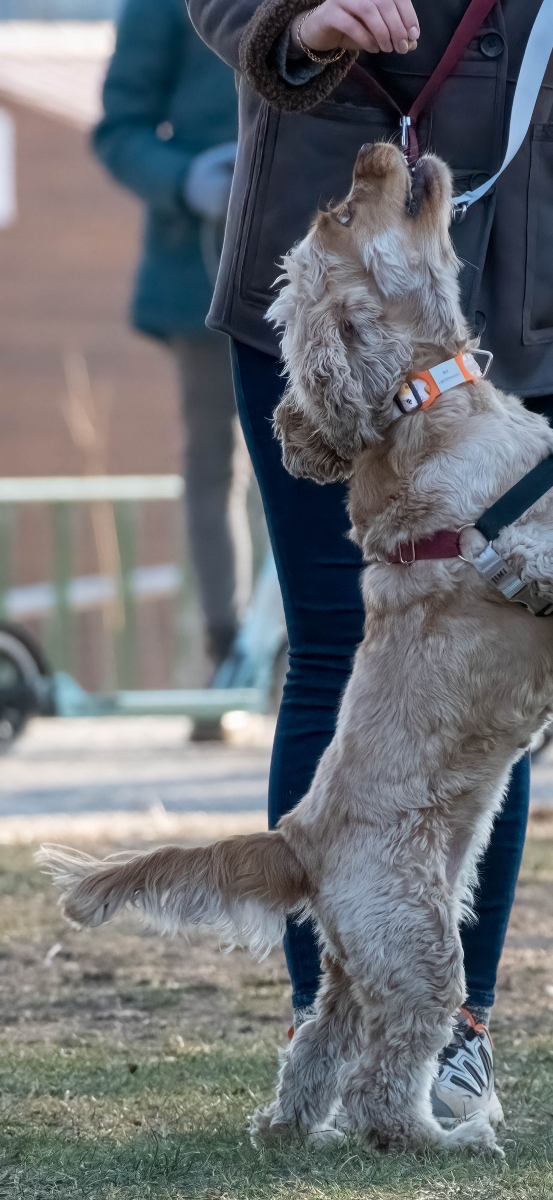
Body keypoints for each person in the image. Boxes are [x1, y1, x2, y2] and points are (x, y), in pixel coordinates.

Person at [186, 0, 553, 1125]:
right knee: (338, 650)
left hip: (527, 271)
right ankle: (343, 1020)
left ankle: (453, 1038)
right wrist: (297, 22)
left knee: (499, 674)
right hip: (336, 294)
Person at [94, 0, 252, 715]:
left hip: (324, 258)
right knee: (213, 466)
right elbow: (119, 130)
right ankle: (227, 663)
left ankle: (300, 653)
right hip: (202, 264)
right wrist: (185, 179)